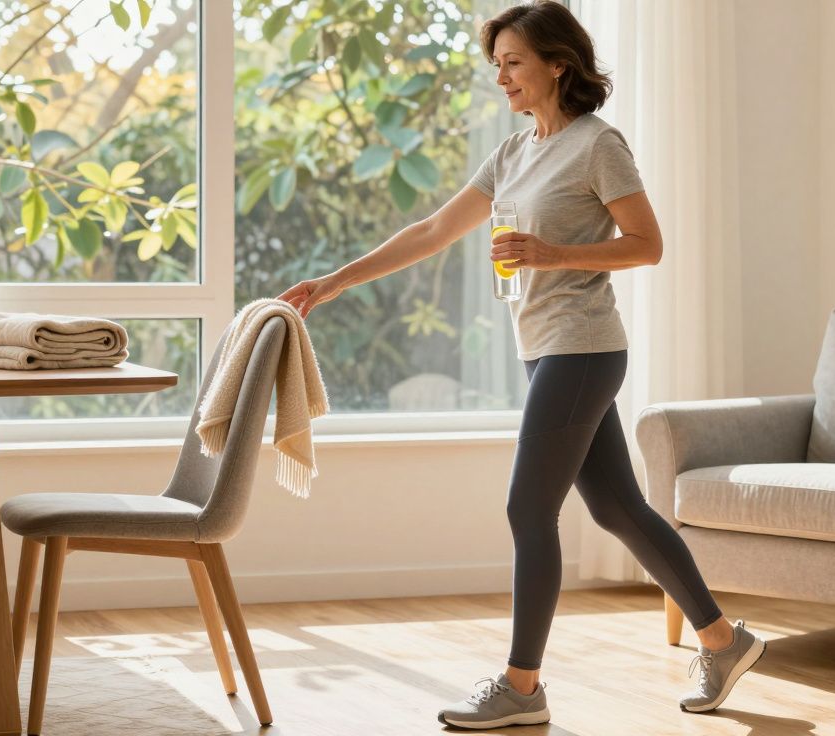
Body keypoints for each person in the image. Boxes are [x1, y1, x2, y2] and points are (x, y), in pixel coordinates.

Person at [277, 1, 764, 729]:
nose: (501, 77)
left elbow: (646, 244)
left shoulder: (598, 145)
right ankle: (725, 642)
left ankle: (523, 688)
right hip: (547, 349)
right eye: (496, 64)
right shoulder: (513, 153)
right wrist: (333, 282)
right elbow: (434, 230)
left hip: (584, 344)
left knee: (527, 509)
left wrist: (552, 253)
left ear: (557, 63)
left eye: (513, 62)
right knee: (616, 507)